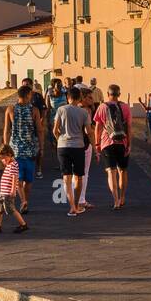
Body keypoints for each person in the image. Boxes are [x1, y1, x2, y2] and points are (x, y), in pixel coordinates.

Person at [2, 84, 44, 215]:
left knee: (17, 179)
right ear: (27, 96)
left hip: (15, 150)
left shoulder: (10, 109)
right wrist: (41, 147)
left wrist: (6, 146)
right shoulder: (34, 110)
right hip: (30, 149)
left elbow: (6, 130)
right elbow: (40, 130)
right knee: (28, 180)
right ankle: (25, 201)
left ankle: (23, 201)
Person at [52, 86, 93, 217]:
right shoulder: (84, 113)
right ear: (79, 98)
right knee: (78, 176)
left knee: (66, 177)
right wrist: (95, 147)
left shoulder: (61, 109)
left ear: (67, 97)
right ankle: (76, 205)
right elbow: (89, 132)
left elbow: (55, 130)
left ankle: (71, 207)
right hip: (78, 146)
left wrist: (60, 139)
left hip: (63, 146)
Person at [94, 84, 132, 209]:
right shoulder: (125, 107)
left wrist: (97, 144)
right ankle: (122, 197)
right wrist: (129, 144)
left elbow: (98, 127)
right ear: (119, 94)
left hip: (107, 142)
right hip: (123, 142)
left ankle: (115, 200)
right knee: (123, 171)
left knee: (111, 172)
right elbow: (129, 128)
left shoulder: (102, 107)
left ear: (107, 94)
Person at [0, 143, 28, 233]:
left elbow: (14, 178)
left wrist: (13, 191)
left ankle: (23, 224)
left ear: (9, 155)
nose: (3, 161)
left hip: (8, 193)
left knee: (11, 209)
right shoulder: (9, 165)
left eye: (4, 158)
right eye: (1, 159)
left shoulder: (13, 165)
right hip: (2, 193)